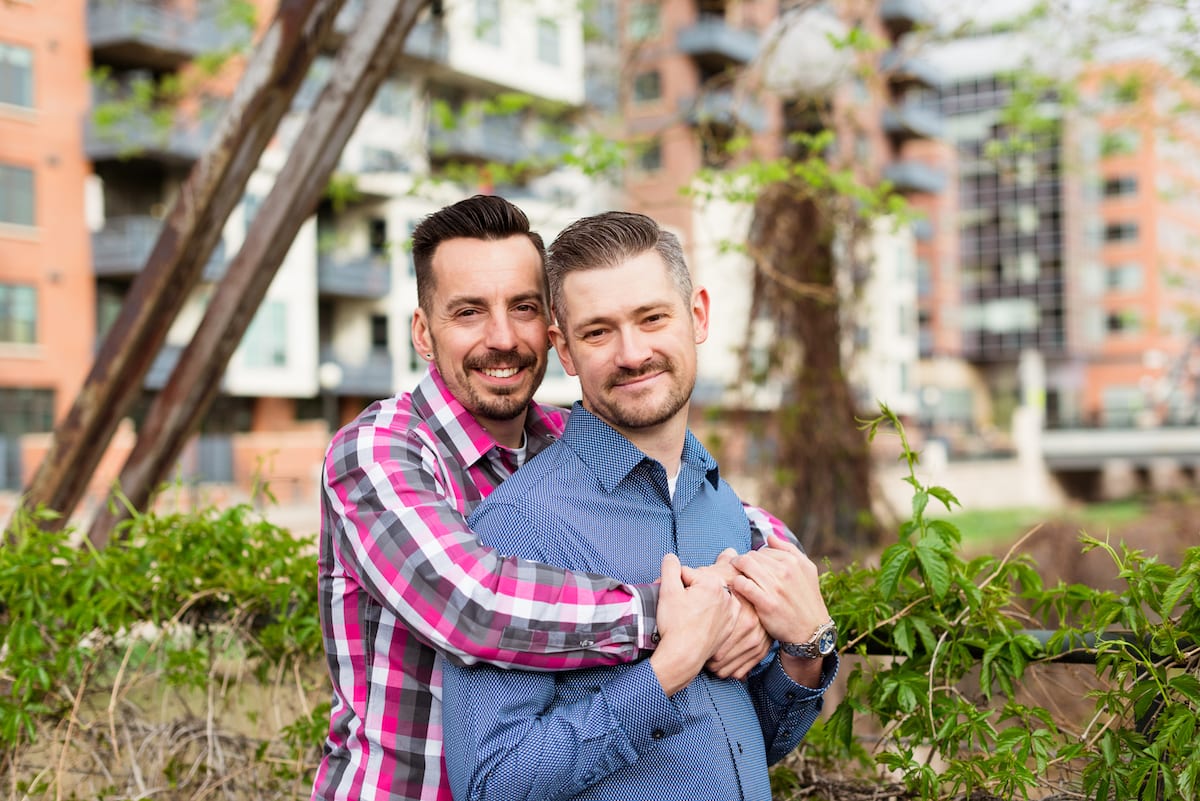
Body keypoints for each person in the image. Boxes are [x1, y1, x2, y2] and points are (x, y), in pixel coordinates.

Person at [311, 196, 788, 801]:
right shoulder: (380, 451)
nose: (502, 337)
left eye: (523, 307)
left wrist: (757, 599)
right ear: (424, 333)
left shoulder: (567, 441)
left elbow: (731, 519)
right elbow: (473, 604)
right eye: (468, 312)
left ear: (551, 329)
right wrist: (681, 618)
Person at [442, 211, 839, 801]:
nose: (632, 353)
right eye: (598, 332)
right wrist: (664, 674)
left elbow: (742, 741)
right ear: (564, 350)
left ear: (697, 315)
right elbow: (489, 784)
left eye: (652, 318)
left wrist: (805, 652)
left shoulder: (719, 502)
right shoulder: (521, 525)